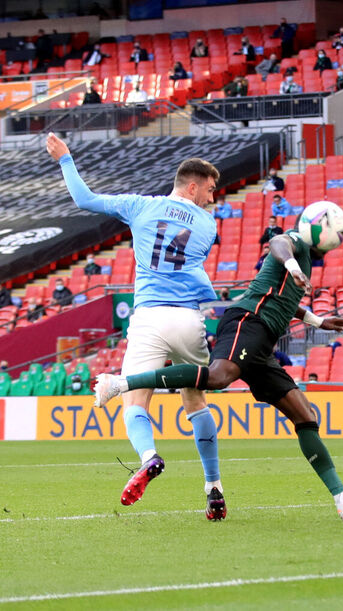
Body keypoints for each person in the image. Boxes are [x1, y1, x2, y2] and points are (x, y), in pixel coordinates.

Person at [93, 203, 343, 523]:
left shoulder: (302, 260)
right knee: (219, 377)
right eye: (339, 232)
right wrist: (290, 262)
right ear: (323, 230)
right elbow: (278, 243)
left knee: (305, 415)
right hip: (248, 322)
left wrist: (317, 321)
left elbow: (285, 301)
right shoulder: (295, 244)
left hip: (263, 343)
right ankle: (119, 383)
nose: (341, 238)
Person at [47, 133, 225, 519]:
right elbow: (193, 267)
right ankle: (214, 487)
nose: (212, 197)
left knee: (134, 400)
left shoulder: (140, 205)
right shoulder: (209, 226)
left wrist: (65, 159)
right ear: (192, 187)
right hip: (188, 319)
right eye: (209, 190)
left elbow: (85, 200)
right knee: (195, 402)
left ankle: (149, 456)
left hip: (147, 317)